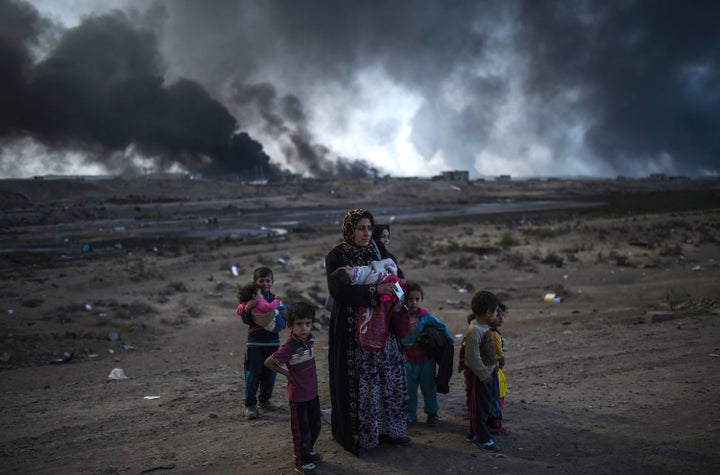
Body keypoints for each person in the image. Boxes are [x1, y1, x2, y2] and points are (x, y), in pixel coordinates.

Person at [325, 209, 409, 455]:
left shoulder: (377, 249)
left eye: (369, 228)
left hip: (382, 327)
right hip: (351, 330)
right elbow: (338, 292)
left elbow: (398, 273)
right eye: (360, 228)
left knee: (386, 378)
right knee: (358, 384)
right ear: (350, 230)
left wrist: (394, 287)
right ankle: (358, 437)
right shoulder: (337, 256)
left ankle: (388, 431)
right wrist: (376, 289)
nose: (365, 233)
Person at [264, 302, 322, 475]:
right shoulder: (289, 346)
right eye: (299, 324)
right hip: (298, 397)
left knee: (315, 425)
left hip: (312, 392)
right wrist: (287, 374)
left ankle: (309, 451)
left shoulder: (309, 339)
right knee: (301, 431)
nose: (304, 328)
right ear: (290, 326)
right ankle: (301, 461)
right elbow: (269, 362)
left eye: (307, 323)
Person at [237, 266, 286, 420]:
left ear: (272, 282)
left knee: (270, 373)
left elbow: (284, 317)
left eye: (268, 280)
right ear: (255, 282)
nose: (265, 283)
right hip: (255, 344)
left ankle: (264, 401)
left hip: (272, 342)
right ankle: (250, 405)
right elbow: (246, 320)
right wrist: (246, 311)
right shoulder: (250, 300)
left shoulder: (275, 299)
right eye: (261, 281)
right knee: (253, 373)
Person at [399, 282, 452, 426]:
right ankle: (410, 416)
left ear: (422, 300)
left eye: (417, 299)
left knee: (429, 389)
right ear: (404, 299)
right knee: (409, 392)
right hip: (408, 361)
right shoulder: (400, 316)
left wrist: (448, 343)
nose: (414, 302)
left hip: (426, 361)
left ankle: (432, 413)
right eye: (410, 299)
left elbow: (442, 327)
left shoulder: (426, 316)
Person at [464, 290, 501, 452]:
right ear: (487, 313)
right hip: (479, 376)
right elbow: (472, 357)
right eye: (495, 312)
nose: (496, 316)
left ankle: (475, 432)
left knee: (485, 405)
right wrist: (484, 374)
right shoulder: (475, 330)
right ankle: (482, 438)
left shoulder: (483, 327)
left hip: (486, 374)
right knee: (480, 407)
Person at [488, 302, 508, 434]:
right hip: (493, 369)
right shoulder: (492, 334)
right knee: (496, 394)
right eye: (498, 315)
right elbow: (499, 353)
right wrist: (501, 361)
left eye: (503, 315)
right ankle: (495, 420)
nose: (501, 318)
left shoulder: (491, 331)